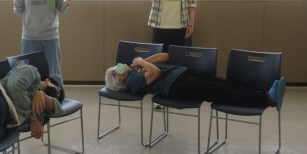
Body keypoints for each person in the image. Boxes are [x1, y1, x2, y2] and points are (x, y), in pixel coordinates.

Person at [104, 53, 286, 109]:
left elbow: (165, 56)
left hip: (181, 73)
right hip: (176, 87)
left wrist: (142, 62)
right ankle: (267, 100)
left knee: (224, 83)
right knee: (218, 91)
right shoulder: (133, 82)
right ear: (120, 78)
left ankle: (263, 94)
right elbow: (156, 72)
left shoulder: (138, 70)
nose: (119, 66)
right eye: (116, 69)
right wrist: (141, 62)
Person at [14, 0, 72, 87]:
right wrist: (31, 13)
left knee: (54, 71)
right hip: (30, 37)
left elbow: (60, 7)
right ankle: (30, 97)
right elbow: (18, 10)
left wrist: (68, 2)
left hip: (50, 36)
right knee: (27, 71)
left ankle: (57, 95)